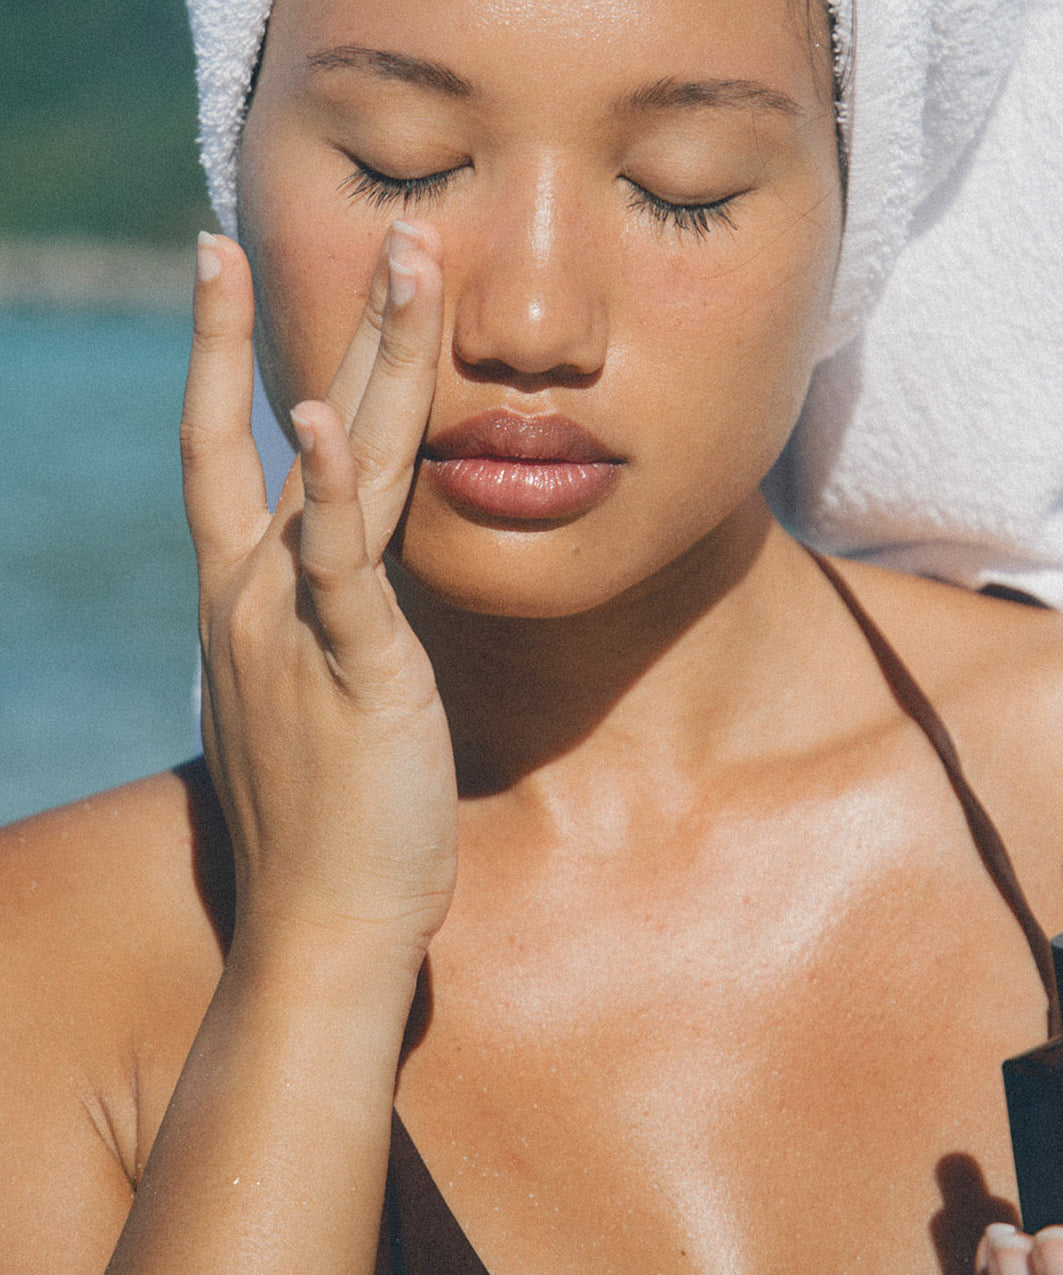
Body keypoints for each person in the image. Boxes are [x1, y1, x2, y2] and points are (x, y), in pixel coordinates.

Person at [1, 0, 1062, 1270]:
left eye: (684, 189)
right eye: (403, 161)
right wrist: (320, 947)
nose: (530, 325)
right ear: (232, 153)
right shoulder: (44, 971)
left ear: (859, 209)